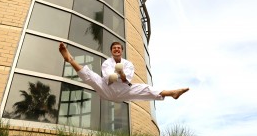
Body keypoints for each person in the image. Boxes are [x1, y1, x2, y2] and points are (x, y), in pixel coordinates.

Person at [59, 41, 189, 102]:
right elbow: (109, 78)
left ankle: (172, 93)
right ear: (111, 51)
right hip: (107, 89)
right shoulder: (107, 62)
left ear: (121, 51)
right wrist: (120, 75)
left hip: (123, 91)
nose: (116, 50)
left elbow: (127, 80)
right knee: (91, 76)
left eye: (118, 48)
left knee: (145, 88)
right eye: (114, 48)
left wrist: (122, 75)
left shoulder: (128, 64)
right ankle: (70, 59)